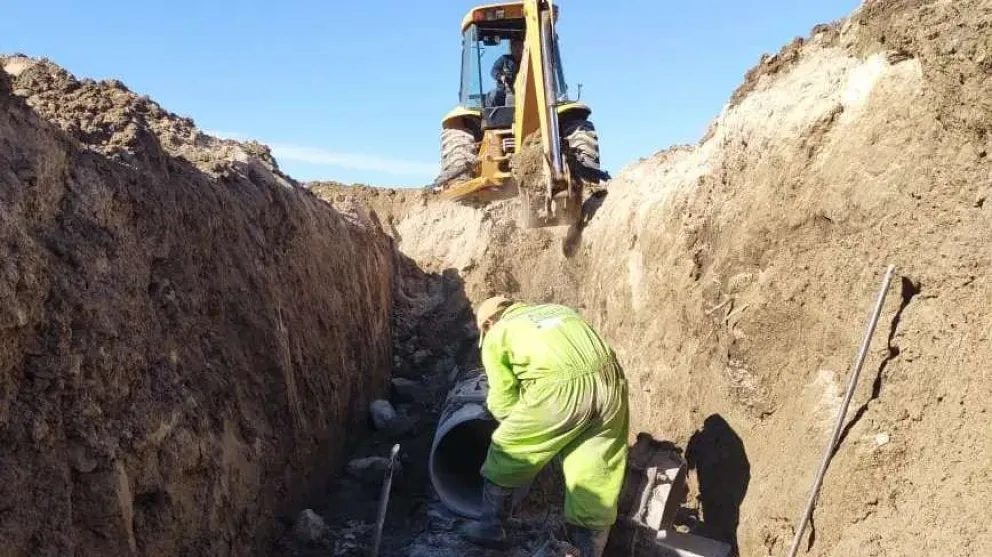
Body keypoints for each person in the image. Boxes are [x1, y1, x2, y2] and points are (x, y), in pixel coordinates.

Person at [459, 296, 630, 557]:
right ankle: (586, 551)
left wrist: (524, 435)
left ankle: (491, 528)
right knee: (595, 472)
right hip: (611, 382)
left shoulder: (497, 335)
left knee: (507, 449)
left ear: (488, 324)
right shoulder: (560, 311)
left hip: (560, 389)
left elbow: (504, 400)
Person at [487, 38, 524, 107]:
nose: (517, 49)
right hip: (504, 91)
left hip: (522, 91)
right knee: (493, 96)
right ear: (511, 48)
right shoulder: (504, 59)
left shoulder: (526, 62)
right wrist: (501, 76)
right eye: (515, 46)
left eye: (520, 46)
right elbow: (494, 71)